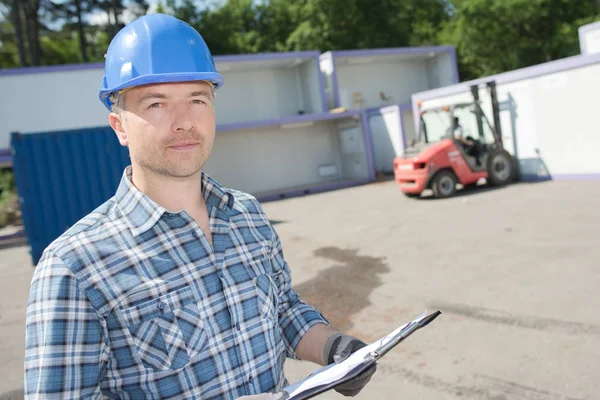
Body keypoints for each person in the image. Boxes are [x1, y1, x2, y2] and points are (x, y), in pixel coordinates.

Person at [23, 13, 377, 400]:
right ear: (119, 126)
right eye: (157, 103)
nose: (184, 122)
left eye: (197, 99)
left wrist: (333, 348)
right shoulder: (75, 268)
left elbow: (283, 311)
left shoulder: (247, 215)